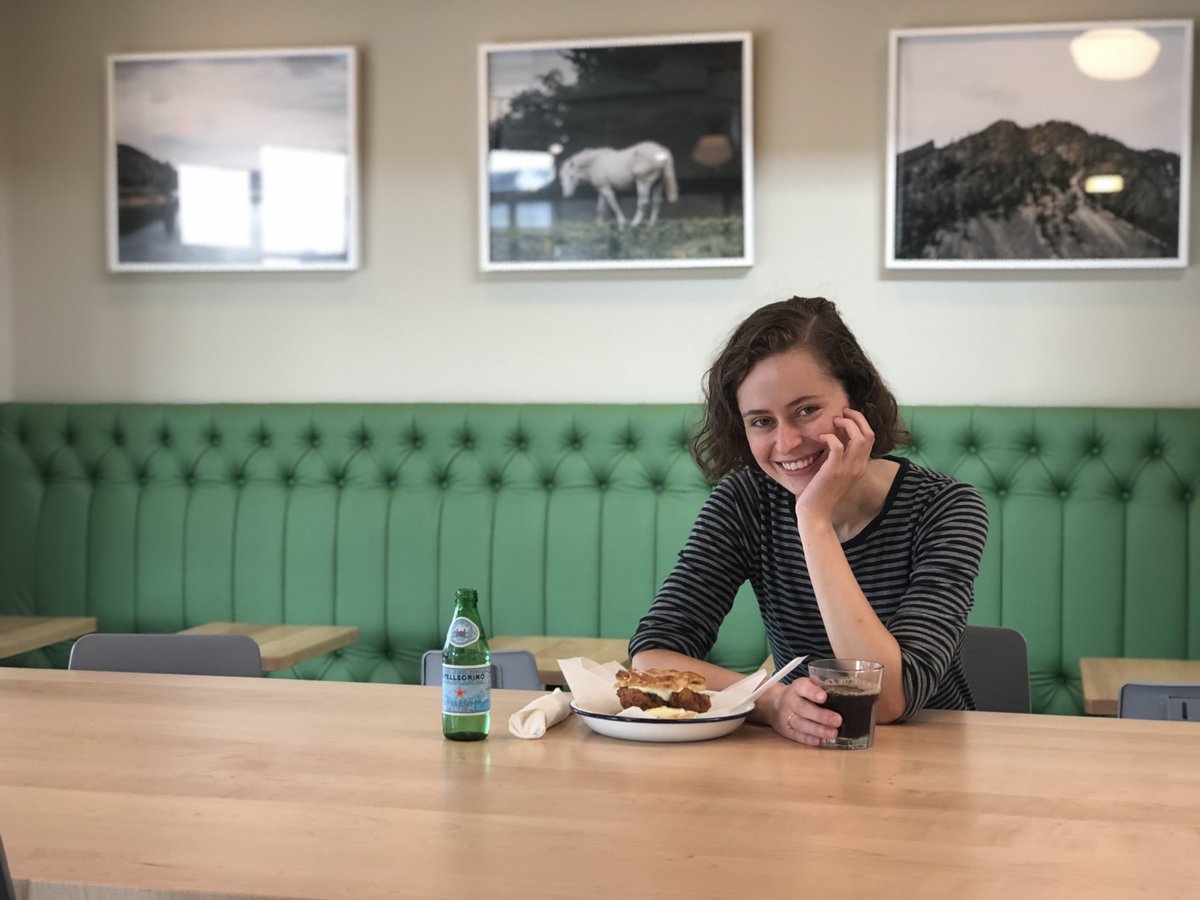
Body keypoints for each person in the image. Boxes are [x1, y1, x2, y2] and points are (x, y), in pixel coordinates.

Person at [628, 296, 989, 746]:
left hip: (927, 756)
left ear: (856, 398)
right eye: (761, 421)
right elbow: (651, 656)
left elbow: (889, 700)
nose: (787, 443)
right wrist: (769, 701)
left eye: (806, 411)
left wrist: (813, 520)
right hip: (802, 760)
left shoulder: (946, 508)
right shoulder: (745, 502)